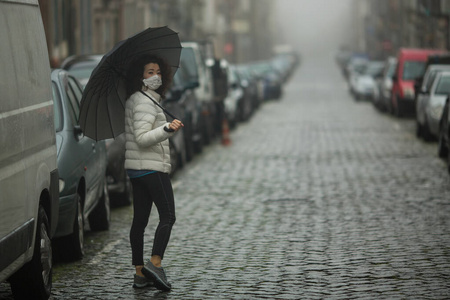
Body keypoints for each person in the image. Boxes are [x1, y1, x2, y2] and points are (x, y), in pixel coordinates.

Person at [124, 55, 183, 291]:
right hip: (150, 168)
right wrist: (167, 128)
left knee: (139, 221)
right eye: (149, 72)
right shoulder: (144, 103)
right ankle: (154, 263)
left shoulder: (139, 99)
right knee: (168, 216)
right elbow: (142, 138)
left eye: (158, 71)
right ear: (140, 76)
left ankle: (139, 273)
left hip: (137, 169)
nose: (155, 76)